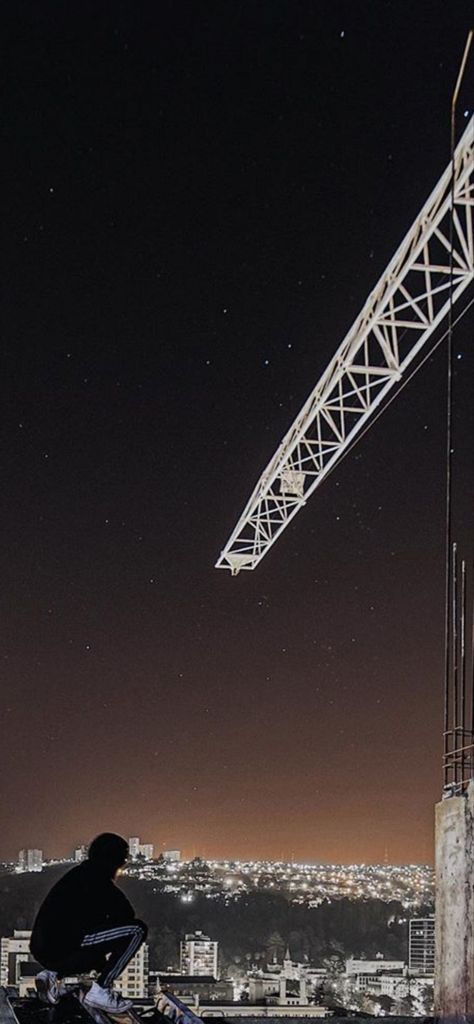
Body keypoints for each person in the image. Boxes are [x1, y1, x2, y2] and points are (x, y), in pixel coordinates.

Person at [30, 832, 147, 1012]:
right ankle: (101, 991)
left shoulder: (77, 875)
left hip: (45, 950)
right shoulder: (98, 880)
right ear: (114, 861)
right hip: (64, 946)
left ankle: (52, 975)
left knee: (94, 954)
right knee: (137, 930)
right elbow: (127, 915)